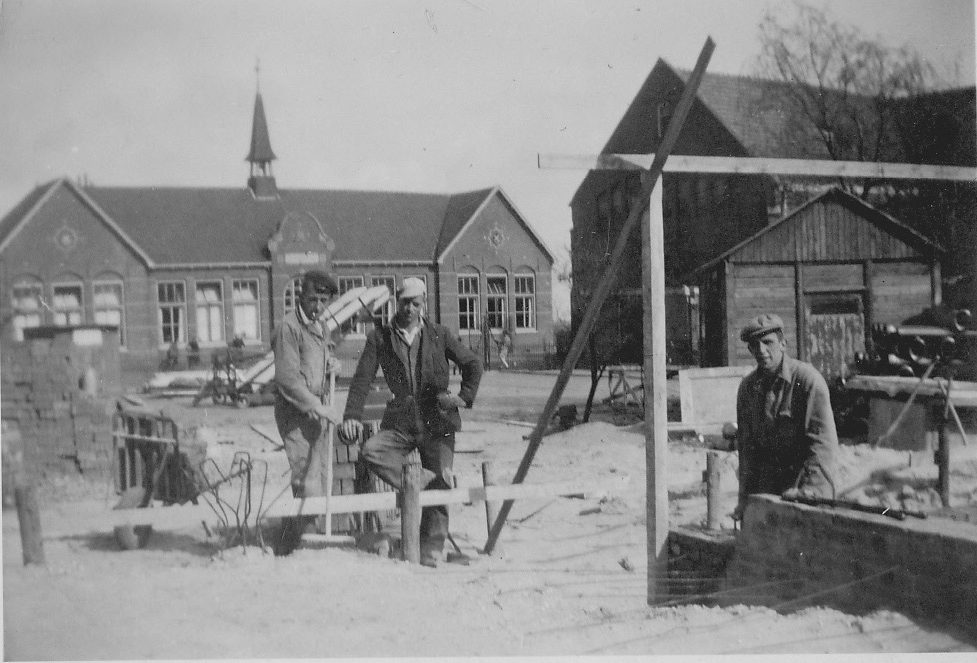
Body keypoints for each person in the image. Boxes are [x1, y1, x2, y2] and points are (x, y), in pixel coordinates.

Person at [339, 277, 482, 567]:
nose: (409, 309)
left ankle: (431, 548)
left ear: (423, 305)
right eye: (404, 302)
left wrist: (464, 397)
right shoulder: (380, 338)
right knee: (371, 451)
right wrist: (352, 415)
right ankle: (425, 483)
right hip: (402, 423)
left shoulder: (440, 335)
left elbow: (473, 364)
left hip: (438, 422)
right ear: (397, 302)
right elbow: (362, 380)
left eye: (415, 303)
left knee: (441, 474)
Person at [734, 313, 838, 521]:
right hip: (766, 490)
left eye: (768, 342)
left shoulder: (808, 381)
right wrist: (745, 500)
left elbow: (822, 444)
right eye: (755, 345)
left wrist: (811, 492)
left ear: (783, 344)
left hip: (802, 488)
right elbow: (746, 451)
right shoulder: (748, 388)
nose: (762, 351)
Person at [271, 270, 343, 554]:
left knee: (319, 473)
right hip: (296, 413)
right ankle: (305, 543)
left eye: (324, 300)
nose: (319, 306)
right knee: (305, 478)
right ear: (302, 295)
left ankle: (298, 537)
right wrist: (317, 406)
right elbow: (288, 379)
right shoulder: (289, 327)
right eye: (314, 299)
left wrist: (331, 365)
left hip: (318, 410)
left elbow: (317, 361)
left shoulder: (321, 327)